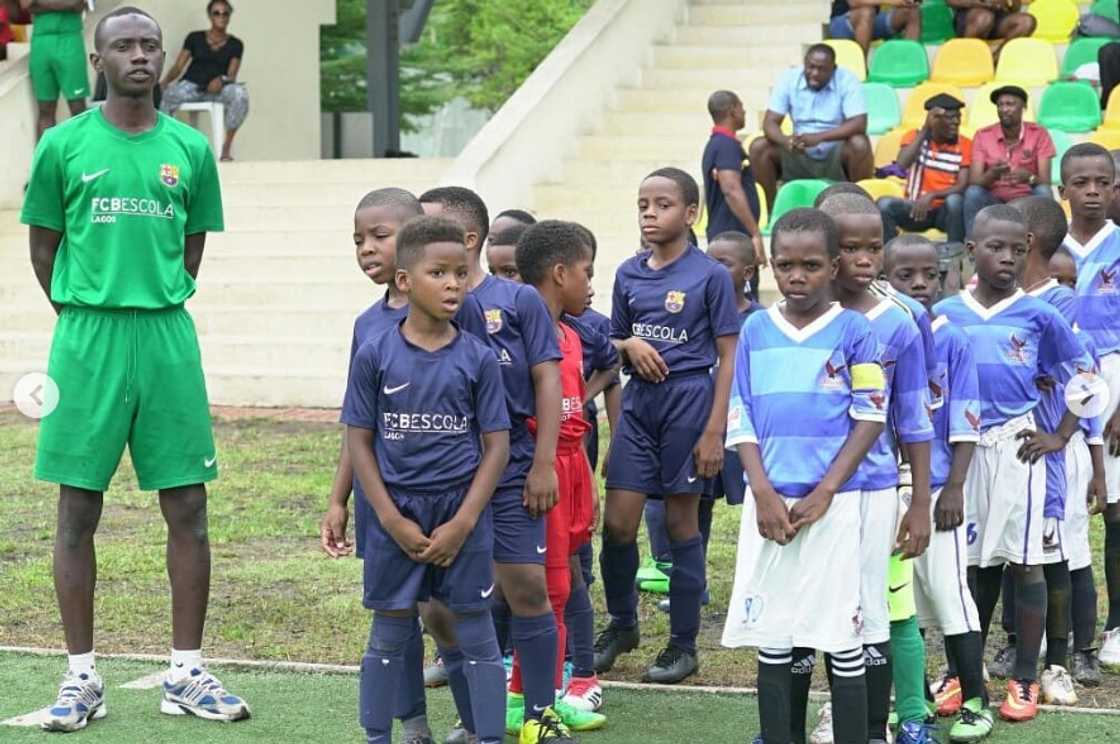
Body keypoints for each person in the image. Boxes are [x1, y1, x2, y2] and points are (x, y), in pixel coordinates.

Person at [20, 6, 248, 731]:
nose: (141, 55)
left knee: (188, 507)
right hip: (84, 337)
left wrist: (147, 306)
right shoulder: (61, 145)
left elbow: (192, 254)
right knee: (76, 509)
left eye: (151, 44)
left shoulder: (190, 148)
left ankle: (186, 670)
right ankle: (80, 677)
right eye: (125, 45)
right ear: (99, 58)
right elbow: (43, 251)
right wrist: (87, 320)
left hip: (166, 337)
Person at [318, 187, 492, 744]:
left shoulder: (466, 324)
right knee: (397, 618)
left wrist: (466, 516)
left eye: (381, 236)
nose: (369, 249)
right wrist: (339, 499)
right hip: (388, 507)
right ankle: (410, 725)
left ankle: (476, 723)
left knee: (447, 615)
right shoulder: (368, 330)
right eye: (360, 240)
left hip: (454, 505)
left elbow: (487, 424)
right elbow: (357, 429)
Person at [416, 187, 577, 743]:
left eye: (428, 226)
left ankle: (539, 713)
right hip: (444, 477)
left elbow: (547, 378)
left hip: (513, 469)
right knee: (440, 606)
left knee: (526, 587)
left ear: (467, 240)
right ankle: (474, 714)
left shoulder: (517, 301)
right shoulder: (418, 304)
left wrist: (543, 464)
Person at [722, 207, 886, 744]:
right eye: (786, 265)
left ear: (834, 266)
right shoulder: (755, 329)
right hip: (770, 505)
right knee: (775, 627)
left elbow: (870, 413)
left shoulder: (855, 330)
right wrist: (761, 490)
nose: (797, 277)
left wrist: (826, 490)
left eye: (811, 265)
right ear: (770, 266)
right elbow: (740, 412)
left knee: (840, 630)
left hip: (832, 505)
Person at [934, 204, 1094, 724]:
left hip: (1018, 448)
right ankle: (964, 672)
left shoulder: (1040, 313)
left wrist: (1060, 434)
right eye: (995, 248)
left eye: (1016, 250)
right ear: (971, 249)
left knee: (1025, 562)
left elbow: (1085, 377)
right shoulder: (945, 314)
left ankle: (1025, 676)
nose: (1006, 258)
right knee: (971, 565)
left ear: (1028, 252)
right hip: (962, 451)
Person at [594, 168, 739, 685]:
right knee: (617, 524)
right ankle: (622, 624)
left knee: (681, 527)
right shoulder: (629, 273)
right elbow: (610, 341)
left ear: (691, 213)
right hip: (640, 406)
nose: (650, 214)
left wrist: (713, 431)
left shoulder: (710, 276)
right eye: (642, 205)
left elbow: (728, 355)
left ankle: (682, 645)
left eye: (662, 205)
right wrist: (627, 345)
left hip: (690, 403)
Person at [815, 194, 934, 744]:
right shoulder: (799, 318)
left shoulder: (904, 320)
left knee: (883, 606)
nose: (864, 259)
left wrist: (920, 497)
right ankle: (835, 709)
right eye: (849, 247)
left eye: (872, 246)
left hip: (880, 484)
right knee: (824, 604)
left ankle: (890, 716)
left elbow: (914, 416)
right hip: (813, 488)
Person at [884, 234, 992, 743]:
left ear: (949, 274)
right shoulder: (880, 329)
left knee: (951, 595)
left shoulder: (952, 338)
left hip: (935, 490)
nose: (920, 284)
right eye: (906, 276)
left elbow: (966, 421)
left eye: (930, 274)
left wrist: (954, 488)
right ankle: (913, 701)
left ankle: (975, 699)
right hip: (884, 488)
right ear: (886, 277)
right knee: (898, 603)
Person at [504, 221, 609, 735]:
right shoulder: (520, 333)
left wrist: (583, 475)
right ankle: (525, 698)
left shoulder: (573, 332)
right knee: (544, 590)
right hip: (539, 472)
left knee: (565, 584)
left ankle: (546, 692)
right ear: (560, 272)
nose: (592, 283)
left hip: (573, 469)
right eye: (587, 272)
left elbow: (578, 407)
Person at [655, 230, 762, 617]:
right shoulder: (691, 310)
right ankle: (691, 586)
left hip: (744, 430)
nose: (711, 270)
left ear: (747, 271)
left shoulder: (759, 321)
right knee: (696, 506)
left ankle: (757, 589)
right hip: (698, 424)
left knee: (755, 504)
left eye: (724, 263)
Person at [1058, 143, 1120, 670]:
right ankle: (1047, 633)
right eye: (1082, 183)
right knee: (1059, 509)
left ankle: (1116, 625)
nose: (1093, 192)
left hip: (1114, 379)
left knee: (1116, 510)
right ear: (1064, 190)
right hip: (1057, 385)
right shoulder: (1041, 245)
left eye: (1103, 182)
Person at [750, 44, 873, 211]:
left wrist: (819, 137)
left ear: (833, 68)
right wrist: (786, 141)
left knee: (860, 144)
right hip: (798, 151)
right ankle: (770, 210)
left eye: (822, 69)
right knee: (759, 147)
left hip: (834, 152)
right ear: (804, 63)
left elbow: (859, 123)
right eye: (811, 67)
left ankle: (861, 207)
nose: (814, 73)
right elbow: (769, 122)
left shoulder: (847, 79)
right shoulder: (789, 79)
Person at [159, 0, 248, 161]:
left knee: (240, 95)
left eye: (225, 13)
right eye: (216, 13)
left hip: (218, 89)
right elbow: (179, 65)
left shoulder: (236, 44)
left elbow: (232, 75)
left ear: (229, 17)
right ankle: (168, 145)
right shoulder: (195, 38)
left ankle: (226, 147)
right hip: (191, 86)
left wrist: (221, 80)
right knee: (167, 96)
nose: (221, 16)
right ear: (210, 15)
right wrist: (164, 82)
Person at [878, 93, 971, 245]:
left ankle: (956, 255)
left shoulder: (966, 144)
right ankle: (891, 255)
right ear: (933, 120)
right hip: (915, 210)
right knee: (884, 204)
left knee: (955, 201)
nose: (956, 122)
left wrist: (932, 195)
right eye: (950, 118)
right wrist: (925, 130)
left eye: (958, 117)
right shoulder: (913, 136)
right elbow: (901, 164)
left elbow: (962, 186)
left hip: (944, 212)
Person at [963, 86, 1054, 236]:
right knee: (973, 193)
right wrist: (992, 174)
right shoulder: (983, 135)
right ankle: (973, 247)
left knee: (1044, 192)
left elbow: (1045, 181)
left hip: (1026, 200)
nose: (1004, 109)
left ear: (1023, 107)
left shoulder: (1039, 134)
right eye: (1000, 105)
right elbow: (974, 181)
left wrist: (1029, 177)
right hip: (993, 200)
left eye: (1010, 104)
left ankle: (1045, 246)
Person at [701, 90, 765, 299]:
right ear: (732, 110)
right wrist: (754, 233)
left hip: (728, 237)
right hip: (733, 239)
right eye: (741, 106)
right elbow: (731, 189)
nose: (744, 111)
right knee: (742, 302)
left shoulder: (719, 144)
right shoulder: (725, 145)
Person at [20, 0, 89, 140]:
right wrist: (64, 5)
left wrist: (40, 4)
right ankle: (45, 160)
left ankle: (82, 158)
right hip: (41, 41)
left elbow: (77, 4)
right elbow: (26, 5)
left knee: (78, 107)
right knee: (45, 109)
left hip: (69, 38)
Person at [827, 0, 921, 56]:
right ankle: (861, 67)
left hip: (871, 21)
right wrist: (892, 1)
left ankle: (908, 62)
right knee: (866, 12)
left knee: (911, 11)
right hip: (842, 24)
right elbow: (854, 2)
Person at [947, 0, 1036, 57]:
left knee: (1026, 22)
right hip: (970, 17)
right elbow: (951, 1)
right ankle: (967, 57)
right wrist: (984, 4)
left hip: (999, 18)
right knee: (984, 17)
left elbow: (1015, 10)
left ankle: (996, 59)